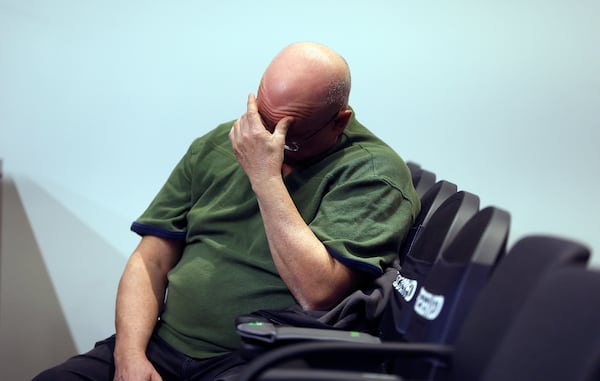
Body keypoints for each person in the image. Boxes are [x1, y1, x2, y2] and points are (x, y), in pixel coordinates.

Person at [33, 41, 420, 381]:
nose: (266, 141)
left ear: (339, 122)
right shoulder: (219, 143)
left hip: (253, 360)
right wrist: (129, 355)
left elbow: (318, 293)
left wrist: (265, 178)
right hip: (160, 344)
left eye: (290, 138)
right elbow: (149, 260)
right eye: (262, 120)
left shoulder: (373, 173)